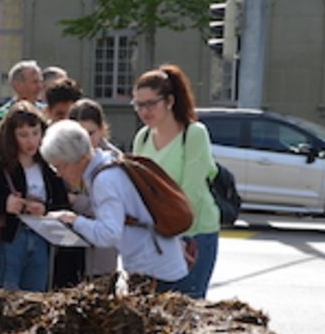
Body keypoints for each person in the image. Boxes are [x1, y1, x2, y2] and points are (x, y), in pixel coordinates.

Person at [42, 120, 189, 292]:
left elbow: (108, 234)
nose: (59, 174)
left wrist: (74, 220)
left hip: (153, 270)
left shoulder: (104, 181)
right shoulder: (110, 163)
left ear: (81, 158)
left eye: (61, 166)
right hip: (160, 263)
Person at [0, 101, 72, 292]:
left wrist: (45, 209)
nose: (31, 141)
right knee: (3, 303)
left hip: (40, 240)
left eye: (35, 133)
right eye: (23, 135)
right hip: (8, 242)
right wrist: (3, 204)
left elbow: (64, 205)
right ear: (11, 137)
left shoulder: (49, 166)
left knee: (35, 304)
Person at [130, 65, 220, 299]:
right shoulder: (143, 137)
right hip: (156, 236)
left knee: (187, 310)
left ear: (169, 101)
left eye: (151, 103)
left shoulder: (194, 134)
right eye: (139, 104)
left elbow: (191, 192)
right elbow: (139, 190)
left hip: (193, 233)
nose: (144, 111)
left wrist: (175, 237)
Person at [66, 98, 121, 280]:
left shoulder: (114, 161)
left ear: (102, 129)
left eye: (91, 133)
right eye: (79, 135)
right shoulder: (63, 158)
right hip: (70, 252)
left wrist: (76, 201)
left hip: (100, 257)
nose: (86, 142)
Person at [0, 59, 43, 126]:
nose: (40, 86)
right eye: (35, 82)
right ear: (17, 85)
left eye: (41, 81)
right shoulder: (5, 114)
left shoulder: (46, 111)